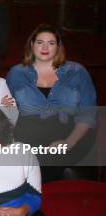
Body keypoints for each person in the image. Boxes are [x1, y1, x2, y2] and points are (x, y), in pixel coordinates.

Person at [6, 24, 97, 181]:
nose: (45, 47)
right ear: (32, 45)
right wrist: (6, 106)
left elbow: (88, 114)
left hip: (70, 133)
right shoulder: (16, 73)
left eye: (51, 43)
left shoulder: (77, 71)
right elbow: (8, 112)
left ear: (58, 47)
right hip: (30, 135)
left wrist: (69, 142)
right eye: (40, 42)